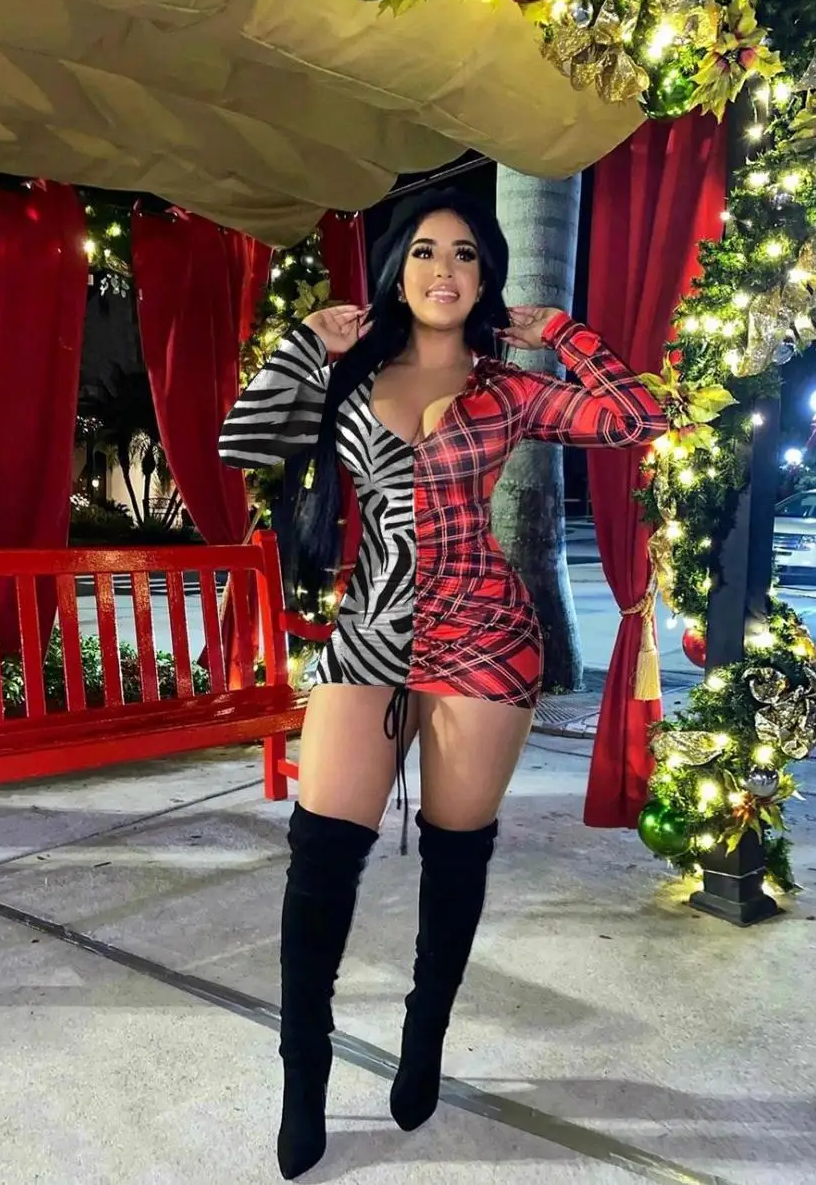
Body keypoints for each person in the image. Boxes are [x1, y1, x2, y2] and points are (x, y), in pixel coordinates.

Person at [219, 188, 666, 1179]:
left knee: (455, 860)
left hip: (486, 638)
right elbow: (240, 444)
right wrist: (305, 342)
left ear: (485, 276)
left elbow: (640, 415)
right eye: (424, 251)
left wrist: (565, 334)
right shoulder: (351, 375)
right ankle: (304, 1076)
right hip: (371, 634)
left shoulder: (509, 389)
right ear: (396, 271)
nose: (444, 268)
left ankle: (424, 1038)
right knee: (319, 859)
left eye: (465, 253)